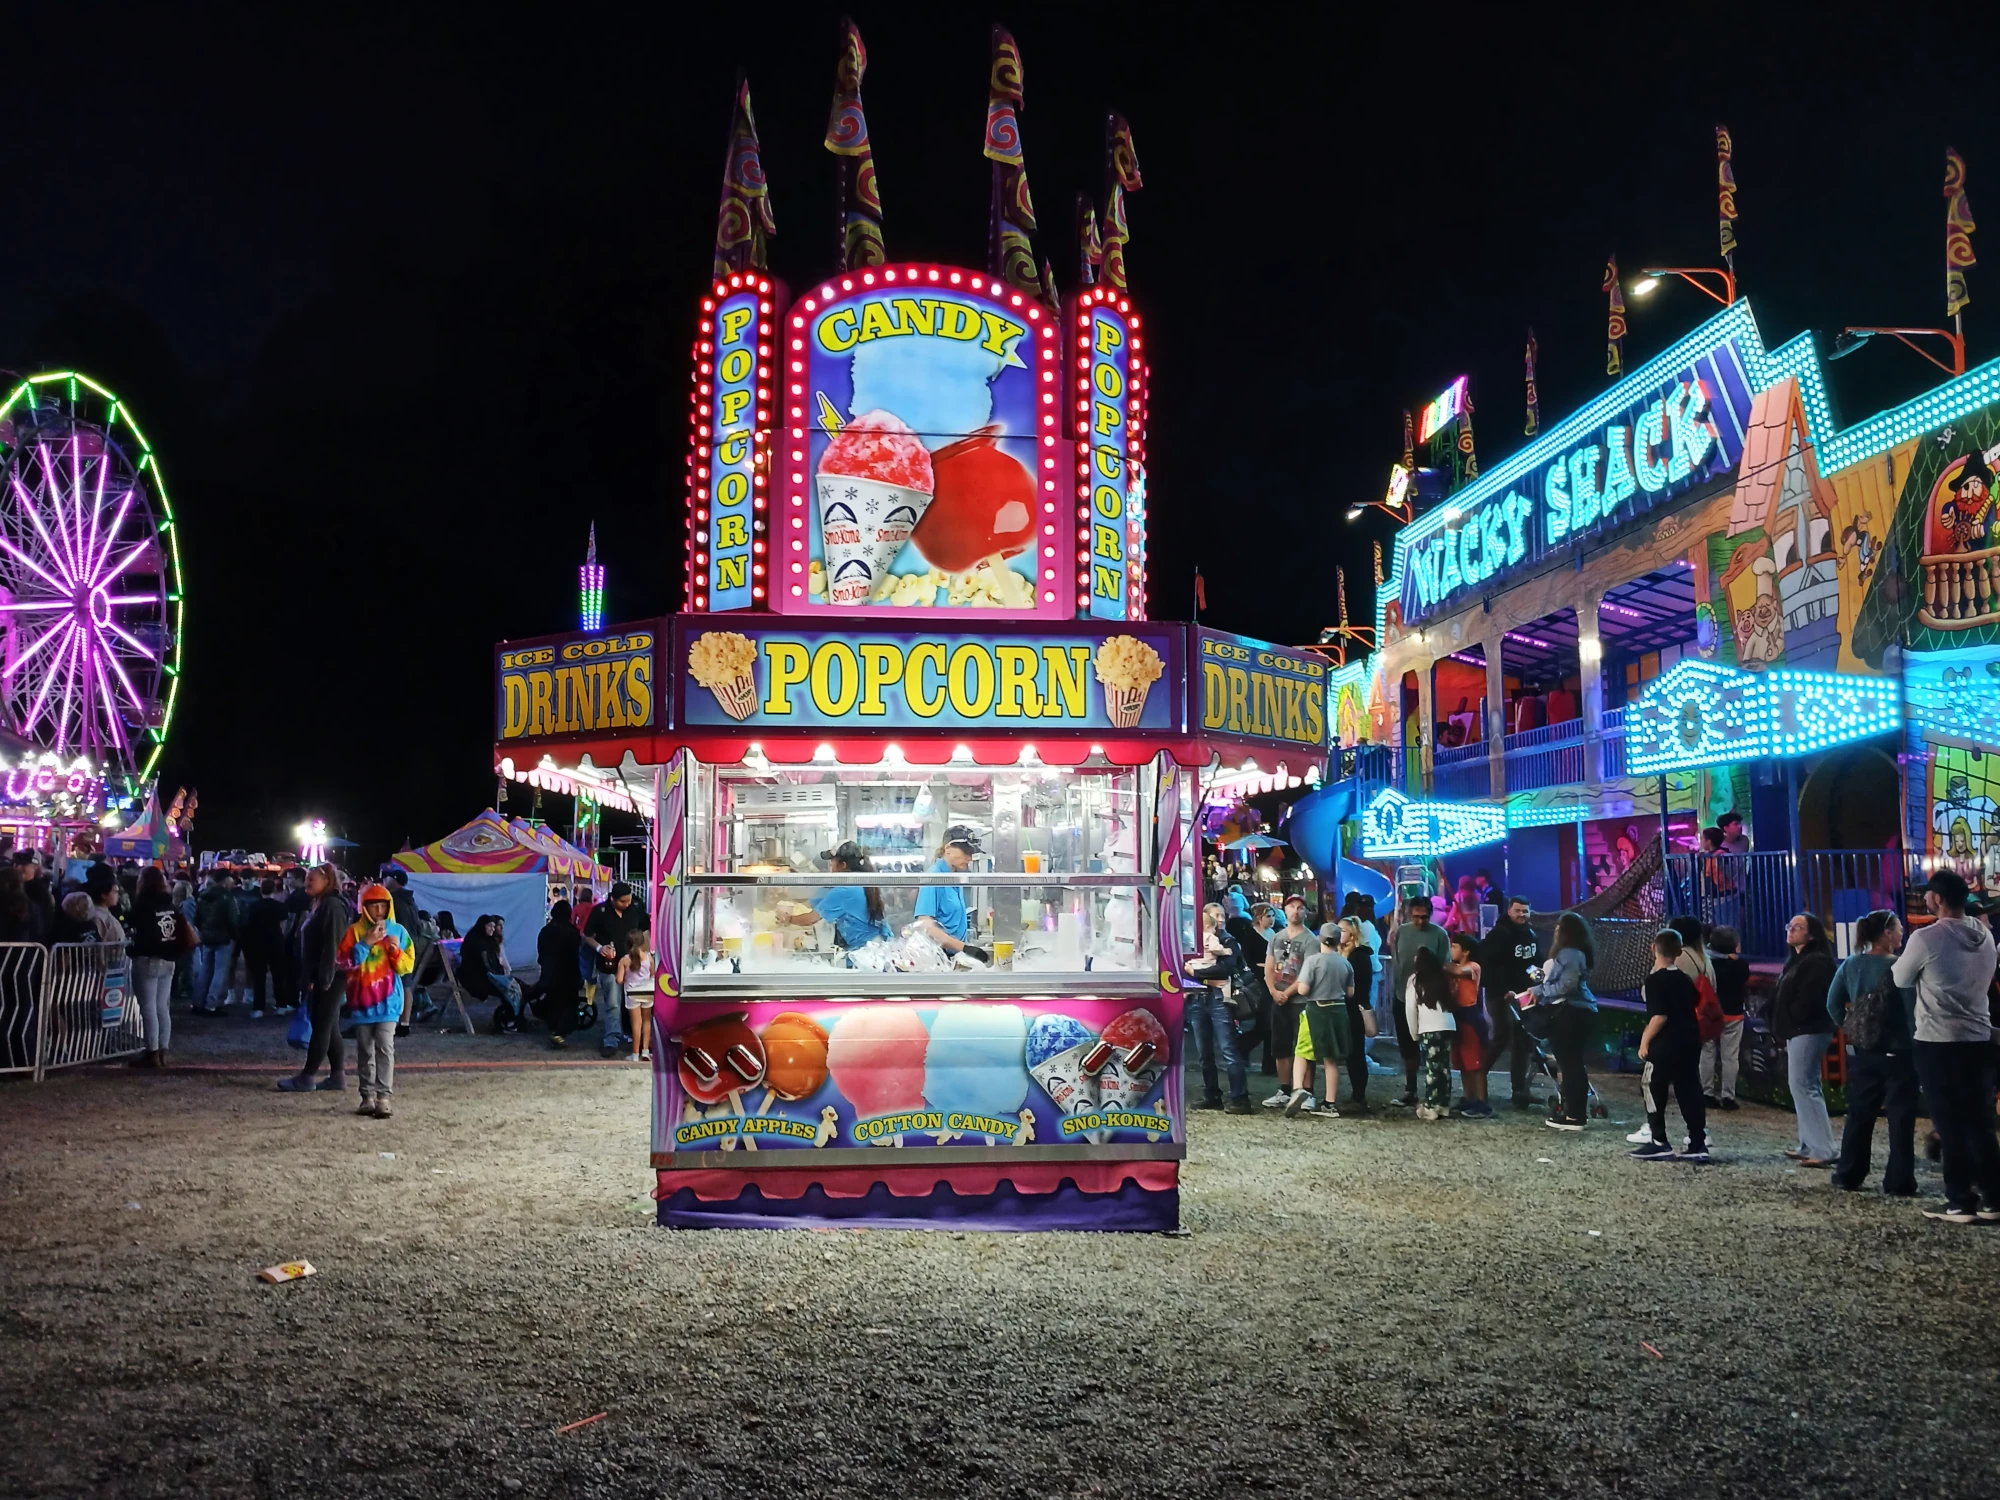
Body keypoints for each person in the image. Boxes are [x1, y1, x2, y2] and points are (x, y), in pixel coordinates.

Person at [1892, 869, 2000, 1224]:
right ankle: (1993, 1195)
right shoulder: (1983, 935)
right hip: (1979, 1036)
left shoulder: (1927, 938)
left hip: (1938, 1039)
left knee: (1949, 1120)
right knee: (1980, 1120)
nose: (1924, 899)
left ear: (1937, 899)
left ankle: (1959, 1199)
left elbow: (1901, 977)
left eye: (1928, 895)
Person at [1828, 908, 1918, 1197]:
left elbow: (1832, 1003)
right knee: (1900, 1117)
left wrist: (1851, 1028)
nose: (1902, 932)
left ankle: (1849, 1174)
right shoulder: (1900, 966)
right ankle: (1898, 1181)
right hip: (1899, 1052)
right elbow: (1911, 1013)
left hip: (1864, 1052)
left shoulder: (1851, 964)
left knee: (1859, 1114)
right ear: (1887, 934)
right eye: (1899, 927)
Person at [336, 883, 414, 1119]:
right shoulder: (354, 931)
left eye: (383, 906)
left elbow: (406, 966)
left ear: (389, 907)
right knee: (364, 1050)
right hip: (361, 1002)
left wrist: (395, 952)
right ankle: (366, 1097)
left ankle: (384, 1097)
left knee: (385, 1047)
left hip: (389, 1003)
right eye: (373, 906)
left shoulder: (399, 931)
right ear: (364, 907)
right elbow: (344, 962)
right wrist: (365, 944)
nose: (378, 911)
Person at [1631, 928, 1709, 1162]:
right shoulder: (1685, 979)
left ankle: (1658, 1139)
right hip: (1689, 1039)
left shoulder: (1655, 980)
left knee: (1652, 1086)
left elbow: (1659, 1016)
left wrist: (1645, 1041)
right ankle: (1697, 1141)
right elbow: (1694, 1001)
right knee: (1689, 1088)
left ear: (1653, 948)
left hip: (1665, 1042)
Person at [1516, 910, 1598, 1131]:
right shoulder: (1577, 953)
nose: (1555, 930)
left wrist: (1542, 991)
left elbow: (1567, 985)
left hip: (1570, 1012)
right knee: (1571, 1064)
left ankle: (1575, 1115)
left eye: (1559, 927)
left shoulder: (1570, 954)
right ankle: (1574, 1112)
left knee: (1570, 1064)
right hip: (1577, 1011)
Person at [277, 864, 353, 1093]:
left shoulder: (331, 906)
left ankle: (307, 1077)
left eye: (312, 879)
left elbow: (332, 945)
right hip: (325, 974)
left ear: (327, 880)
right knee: (328, 1026)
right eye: (307, 879)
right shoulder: (323, 903)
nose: (307, 883)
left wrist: (324, 978)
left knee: (321, 1026)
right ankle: (337, 1076)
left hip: (330, 975)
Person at [1773, 912, 1838, 1168]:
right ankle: (1808, 1143)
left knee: (1804, 1086)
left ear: (1811, 934)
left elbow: (1811, 999)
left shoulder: (1816, 962)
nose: (1791, 930)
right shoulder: (1798, 960)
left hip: (1808, 1029)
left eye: (1798, 927)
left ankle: (1823, 1148)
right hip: (1799, 1029)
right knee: (1804, 1085)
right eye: (1790, 925)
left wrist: (1791, 1017)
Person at [1282, 921, 1353, 1118]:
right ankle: (1330, 1103)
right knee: (1331, 1059)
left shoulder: (1313, 961)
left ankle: (1297, 1089)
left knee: (1302, 1051)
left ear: (1320, 939)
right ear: (1339, 941)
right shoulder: (1345, 963)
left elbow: (1303, 989)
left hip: (1316, 1009)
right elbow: (1350, 992)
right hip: (1338, 1011)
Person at [1389, 894, 1451, 1108]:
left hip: (1429, 997)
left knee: (1433, 1046)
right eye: (1416, 917)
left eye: (1424, 917)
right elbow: (1396, 958)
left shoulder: (1439, 935)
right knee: (1407, 1044)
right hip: (1402, 993)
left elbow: (1446, 964)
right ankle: (1411, 1087)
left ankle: (1435, 1093)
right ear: (1409, 914)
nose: (1419, 921)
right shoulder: (1402, 932)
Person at [1186, 903, 1250, 1112]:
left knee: (1228, 1048)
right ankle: (1212, 1093)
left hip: (1218, 998)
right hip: (1198, 998)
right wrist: (1206, 980)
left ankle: (1240, 1098)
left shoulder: (1228, 941)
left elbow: (1225, 969)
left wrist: (1197, 975)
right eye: (1216, 915)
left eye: (1222, 915)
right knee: (1204, 1051)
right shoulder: (1193, 940)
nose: (1220, 919)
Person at [1479, 893, 1540, 1110]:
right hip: (1500, 995)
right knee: (1501, 1037)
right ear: (1509, 911)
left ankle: (1519, 1090)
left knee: (1523, 1040)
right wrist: (1502, 989)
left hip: (1524, 994)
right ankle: (1477, 1083)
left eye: (1525, 911)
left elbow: (1534, 963)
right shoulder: (1498, 935)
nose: (1522, 914)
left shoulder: (1530, 934)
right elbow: (1489, 965)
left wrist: (1538, 982)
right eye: (1518, 910)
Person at [784, 842, 891, 949]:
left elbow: (811, 919)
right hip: (877, 945)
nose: (830, 868)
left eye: (832, 864)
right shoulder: (858, 881)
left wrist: (788, 919)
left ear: (843, 865)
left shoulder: (846, 889)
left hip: (867, 950)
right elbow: (816, 902)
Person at [1261, 894, 1313, 1108]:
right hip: (1278, 997)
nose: (1295, 911)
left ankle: (1306, 1091)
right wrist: (1273, 990)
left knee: (1304, 1048)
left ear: (1305, 912)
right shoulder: (1276, 937)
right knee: (1280, 1046)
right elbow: (1268, 966)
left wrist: (1287, 993)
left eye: (1300, 907)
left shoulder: (1310, 940)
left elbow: (1307, 973)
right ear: (1285, 909)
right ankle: (1284, 1088)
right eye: (1291, 907)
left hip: (1300, 1000)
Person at [584, 882, 648, 1053]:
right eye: (622, 902)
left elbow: (646, 930)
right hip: (609, 966)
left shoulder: (635, 908)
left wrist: (644, 952)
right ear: (612, 899)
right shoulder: (600, 912)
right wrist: (599, 948)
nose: (626, 904)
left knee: (634, 1002)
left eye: (628, 901)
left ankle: (633, 1036)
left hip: (633, 965)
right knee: (612, 1002)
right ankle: (611, 1038)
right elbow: (587, 935)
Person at [127, 866, 180, 1070]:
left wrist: (132, 948)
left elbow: (133, 926)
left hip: (148, 958)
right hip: (168, 958)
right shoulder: (170, 904)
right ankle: (163, 1050)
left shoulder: (143, 905)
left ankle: (152, 1051)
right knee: (161, 1007)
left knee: (148, 1007)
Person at [914, 827, 989, 961]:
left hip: (954, 957)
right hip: (939, 958)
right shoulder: (933, 877)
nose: (970, 858)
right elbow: (926, 926)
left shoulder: (954, 877)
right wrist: (964, 948)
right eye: (966, 852)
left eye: (971, 853)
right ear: (948, 848)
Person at [1405, 946, 1456, 1121]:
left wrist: (1414, 1033)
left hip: (1429, 1027)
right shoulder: (1443, 978)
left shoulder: (1414, 981)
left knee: (1431, 1068)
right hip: (1448, 1025)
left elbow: (1410, 1009)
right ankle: (1443, 1104)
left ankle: (1430, 1106)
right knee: (1443, 1067)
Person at [1445, 930, 1493, 1118]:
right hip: (1458, 1016)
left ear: (1465, 952)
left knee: (1475, 1064)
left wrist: (1434, 961)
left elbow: (1458, 971)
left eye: (1455, 946)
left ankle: (1483, 1103)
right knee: (1463, 1062)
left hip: (1470, 1018)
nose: (1451, 950)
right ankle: (1469, 1097)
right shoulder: (1454, 967)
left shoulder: (1473, 967)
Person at [1703, 925, 1749, 1110]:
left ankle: (1707, 1093)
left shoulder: (1708, 964)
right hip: (1734, 1014)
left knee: (1707, 1053)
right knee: (1730, 1056)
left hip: (1710, 1013)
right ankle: (1728, 1096)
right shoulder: (1741, 965)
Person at [535, 901, 589, 1046]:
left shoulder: (545, 931)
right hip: (568, 974)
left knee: (554, 1002)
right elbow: (576, 954)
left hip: (549, 973)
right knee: (570, 1005)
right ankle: (559, 1032)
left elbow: (541, 953)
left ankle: (553, 1027)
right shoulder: (572, 932)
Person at [1336, 917, 1376, 1114]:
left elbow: (1359, 987)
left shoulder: (1359, 956)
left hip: (1353, 1008)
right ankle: (1356, 1095)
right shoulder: (1342, 953)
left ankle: (1359, 1096)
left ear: (1352, 933)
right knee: (1351, 1054)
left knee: (1356, 1054)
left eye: (1342, 930)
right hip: (1345, 1007)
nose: (1338, 933)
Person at [238, 878, 286, 1018]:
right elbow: (283, 925)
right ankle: (280, 1005)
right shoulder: (280, 906)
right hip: (276, 942)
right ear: (274, 890)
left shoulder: (254, 906)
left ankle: (258, 1007)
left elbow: (249, 925)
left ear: (261, 890)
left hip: (258, 943)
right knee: (278, 975)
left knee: (259, 976)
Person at [191, 871, 238, 1015]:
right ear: (224, 880)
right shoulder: (227, 897)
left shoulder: (202, 896)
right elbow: (232, 920)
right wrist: (235, 935)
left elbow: (196, 919)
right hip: (223, 938)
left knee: (205, 970)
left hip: (207, 937)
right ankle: (211, 1004)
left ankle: (198, 1002)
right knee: (219, 971)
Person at [620, 927, 657, 1060]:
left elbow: (619, 980)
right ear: (643, 942)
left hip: (631, 994)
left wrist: (625, 978)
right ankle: (646, 1051)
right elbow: (653, 975)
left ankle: (635, 1054)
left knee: (636, 1023)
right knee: (647, 1021)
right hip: (647, 992)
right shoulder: (649, 957)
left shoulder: (624, 960)